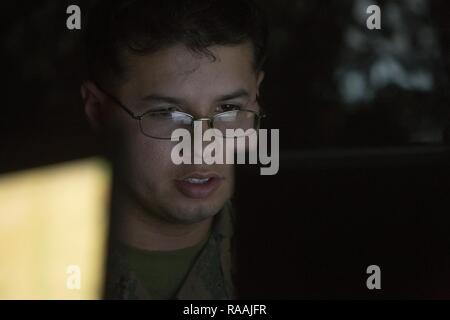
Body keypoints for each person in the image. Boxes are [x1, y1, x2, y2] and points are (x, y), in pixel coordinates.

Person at [81, 0, 268, 299]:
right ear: (98, 111)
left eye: (229, 108)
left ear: (256, 98)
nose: (203, 147)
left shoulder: (301, 249)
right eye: (168, 113)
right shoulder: (31, 264)